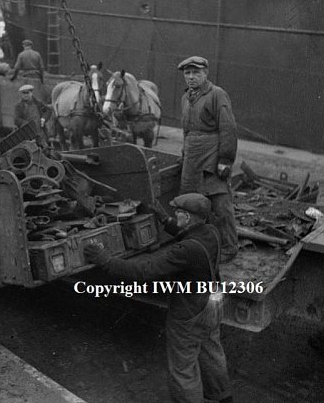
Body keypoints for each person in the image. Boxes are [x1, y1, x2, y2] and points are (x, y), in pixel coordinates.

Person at [84, 193, 233, 403]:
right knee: (211, 353)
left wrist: (106, 260)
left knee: (183, 368)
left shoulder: (185, 251)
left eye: (178, 213)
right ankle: (223, 397)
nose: (176, 215)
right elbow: (189, 235)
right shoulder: (211, 231)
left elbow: (145, 269)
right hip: (213, 303)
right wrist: (165, 220)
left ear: (188, 218)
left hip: (190, 311)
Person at [177, 56, 238, 263]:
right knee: (192, 204)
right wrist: (184, 153)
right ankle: (200, 245)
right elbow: (187, 131)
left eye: (196, 72)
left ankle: (229, 248)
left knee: (220, 204)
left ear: (206, 74)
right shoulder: (186, 98)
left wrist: (225, 160)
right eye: (187, 73)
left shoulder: (217, 95)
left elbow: (228, 128)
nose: (191, 77)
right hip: (192, 157)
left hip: (212, 156)